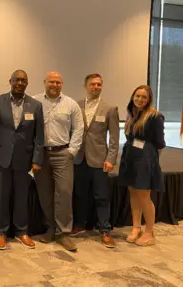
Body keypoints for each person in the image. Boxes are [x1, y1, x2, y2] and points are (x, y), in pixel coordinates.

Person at [0, 70, 44, 250]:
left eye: (23, 80)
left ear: (27, 83)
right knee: (1, 196)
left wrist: (36, 160)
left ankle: (21, 231)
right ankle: (1, 232)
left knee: (22, 197)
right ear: (10, 81)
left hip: (24, 160)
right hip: (2, 158)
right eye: (16, 80)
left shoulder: (35, 105)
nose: (20, 83)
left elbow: (39, 136)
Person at [33, 71, 84, 252]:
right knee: (45, 193)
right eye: (51, 82)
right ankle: (50, 229)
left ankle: (64, 233)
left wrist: (72, 151)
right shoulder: (34, 101)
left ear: (62, 84)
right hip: (41, 156)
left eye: (58, 82)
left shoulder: (71, 104)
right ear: (44, 82)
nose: (54, 85)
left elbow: (79, 128)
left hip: (63, 153)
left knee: (63, 193)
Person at [71, 73, 119, 248]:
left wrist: (111, 158)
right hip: (79, 158)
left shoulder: (110, 108)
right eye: (92, 84)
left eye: (99, 85)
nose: (96, 87)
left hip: (100, 160)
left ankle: (105, 230)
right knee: (79, 194)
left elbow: (114, 137)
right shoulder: (76, 105)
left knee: (101, 196)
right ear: (85, 86)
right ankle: (79, 225)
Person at [118, 85, 165, 246]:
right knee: (133, 191)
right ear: (133, 96)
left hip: (145, 159)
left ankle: (149, 232)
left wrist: (151, 163)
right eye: (137, 96)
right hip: (130, 156)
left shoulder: (155, 117)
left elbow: (160, 144)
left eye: (144, 97)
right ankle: (136, 227)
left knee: (144, 195)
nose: (140, 99)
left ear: (149, 99)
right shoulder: (132, 113)